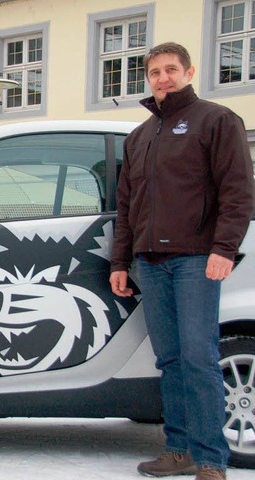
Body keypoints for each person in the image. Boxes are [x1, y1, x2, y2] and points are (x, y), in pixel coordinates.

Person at [110, 42, 254, 480]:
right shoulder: (140, 137)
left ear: (189, 72)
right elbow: (127, 206)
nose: (162, 78)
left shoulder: (217, 121)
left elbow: (238, 193)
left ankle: (211, 459)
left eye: (170, 70)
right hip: (150, 264)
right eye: (155, 72)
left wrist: (223, 249)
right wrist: (121, 262)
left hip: (196, 260)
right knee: (170, 360)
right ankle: (178, 449)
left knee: (198, 358)